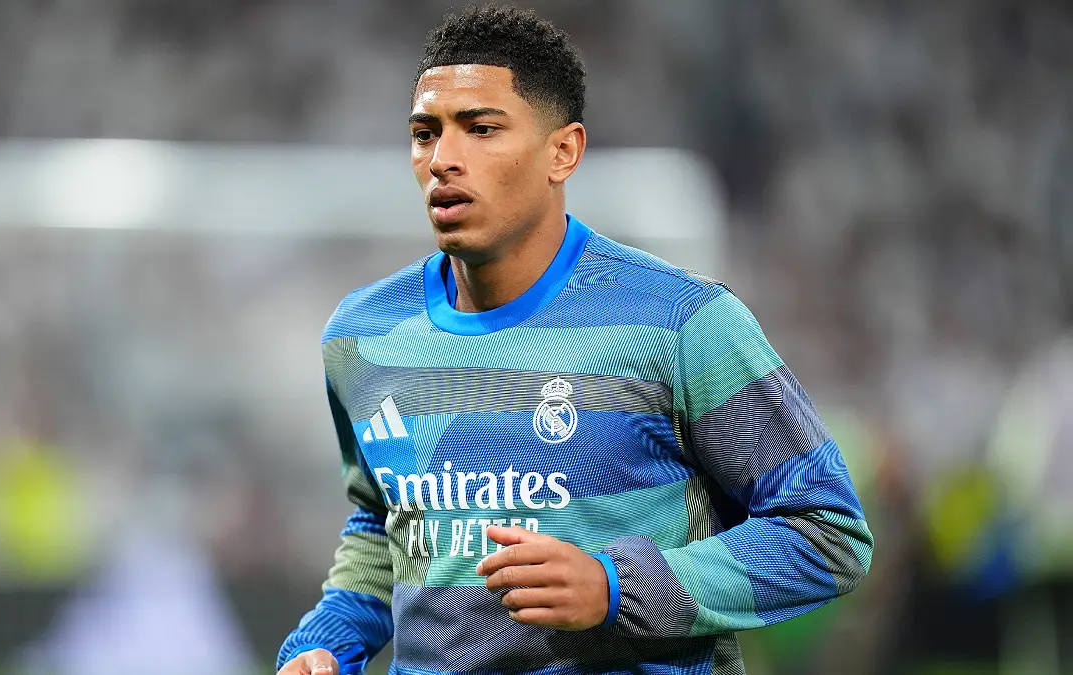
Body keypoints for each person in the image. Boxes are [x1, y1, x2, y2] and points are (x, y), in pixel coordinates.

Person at [278, 5, 873, 674]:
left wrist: (617, 587)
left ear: (563, 152)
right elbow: (387, 530)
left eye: (481, 128)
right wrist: (327, 640)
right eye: (425, 133)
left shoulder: (680, 321)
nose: (443, 159)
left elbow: (827, 533)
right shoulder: (365, 337)